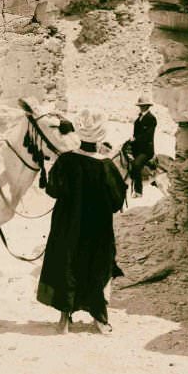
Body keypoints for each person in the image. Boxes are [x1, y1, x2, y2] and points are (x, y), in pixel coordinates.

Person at [37, 109, 127, 335]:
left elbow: (52, 190)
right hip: (97, 231)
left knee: (67, 264)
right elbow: (117, 201)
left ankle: (64, 319)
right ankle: (99, 317)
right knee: (97, 267)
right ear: (100, 136)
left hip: (68, 226)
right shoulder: (106, 166)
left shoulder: (66, 161)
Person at [130, 93, 157, 197]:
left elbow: (148, 136)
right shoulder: (139, 118)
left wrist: (135, 139)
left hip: (146, 150)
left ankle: (138, 191)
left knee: (136, 165)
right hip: (137, 147)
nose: (141, 108)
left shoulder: (151, 118)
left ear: (147, 106)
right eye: (140, 106)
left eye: (143, 106)